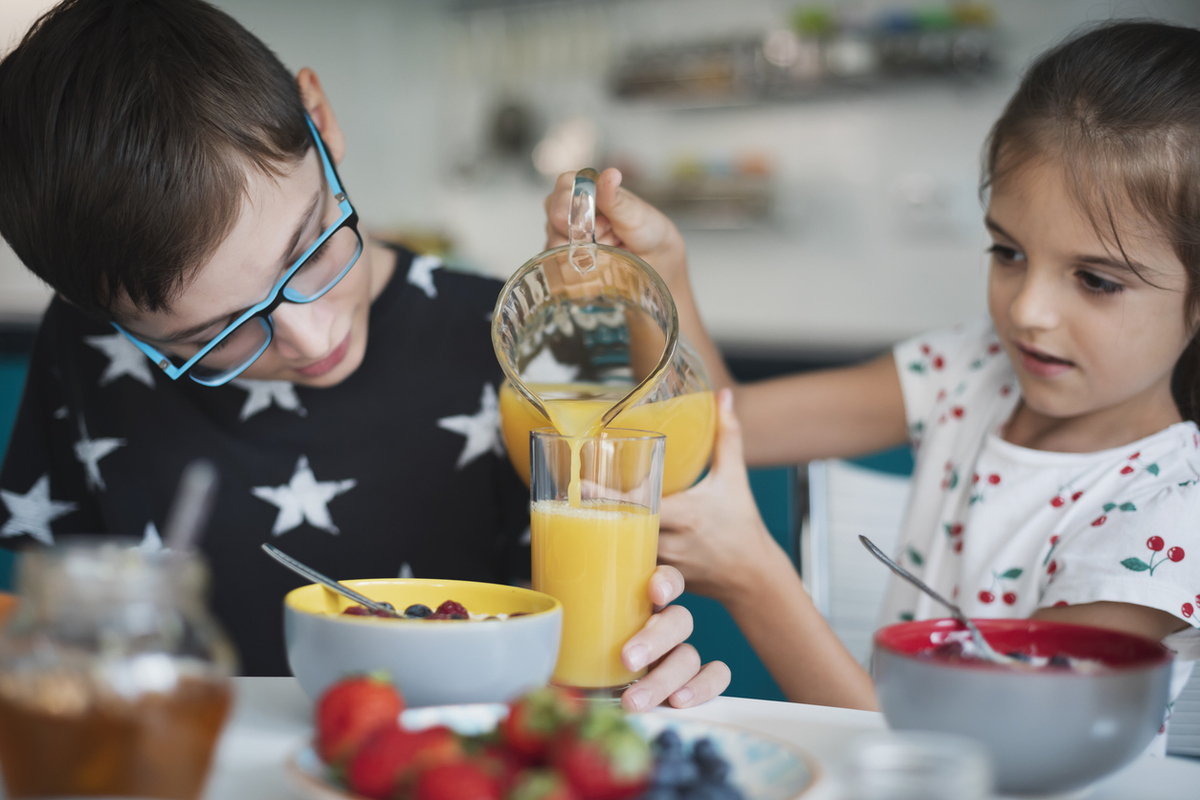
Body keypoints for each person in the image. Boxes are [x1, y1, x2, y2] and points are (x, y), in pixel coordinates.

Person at [0, 0, 731, 710]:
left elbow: (640, 550)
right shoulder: (85, 349)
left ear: (318, 119)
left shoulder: (526, 341)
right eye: (214, 337)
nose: (311, 339)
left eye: (311, 251)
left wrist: (631, 670)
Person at [545, 20, 1200, 739]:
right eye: (1008, 252)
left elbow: (965, 777)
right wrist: (656, 276)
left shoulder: (1165, 520)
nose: (1028, 310)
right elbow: (723, 423)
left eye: (1097, 280)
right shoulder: (972, 371)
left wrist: (755, 581)